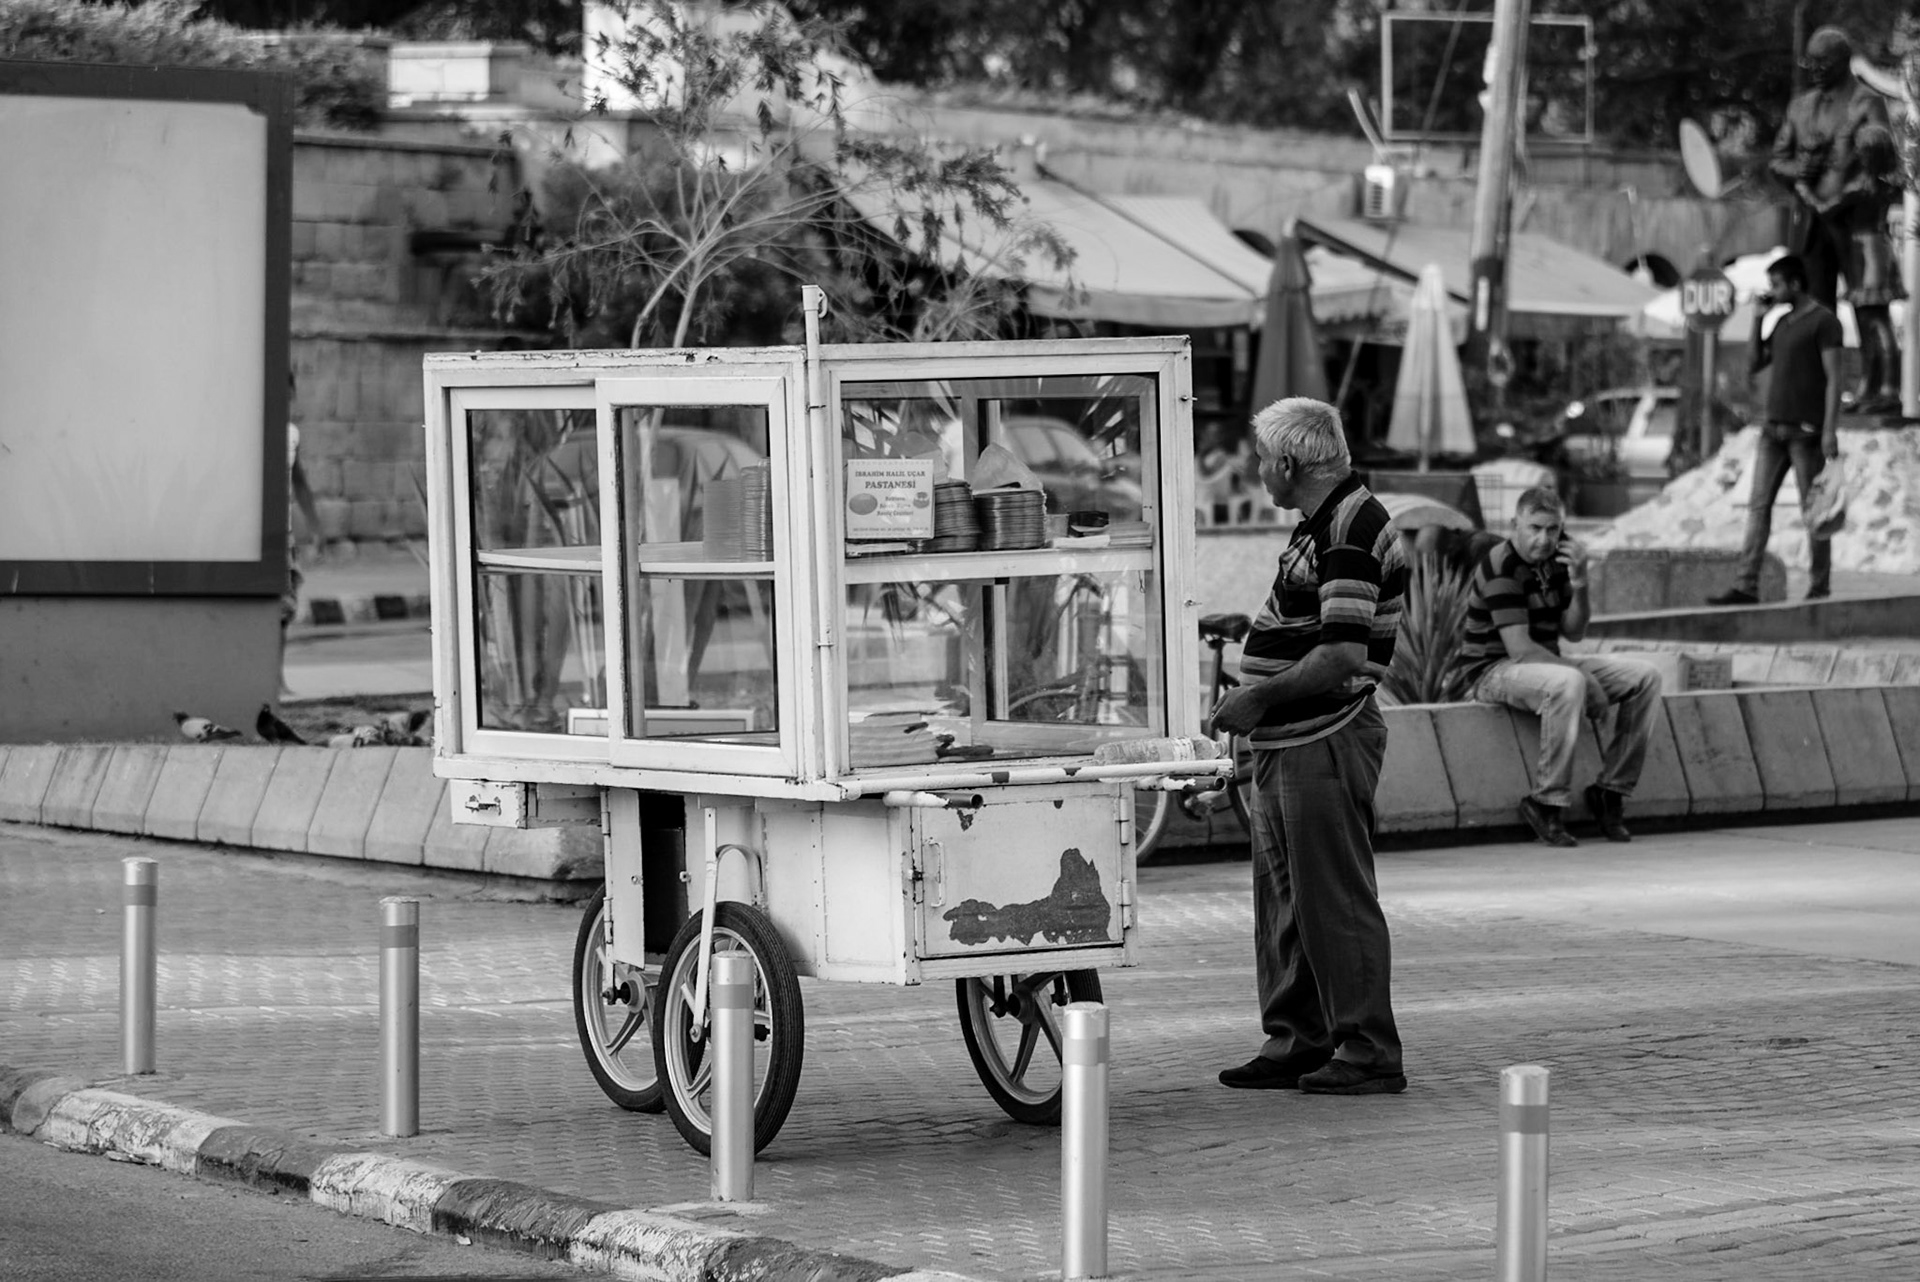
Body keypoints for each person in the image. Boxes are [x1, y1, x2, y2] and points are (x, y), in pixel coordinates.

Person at [1210, 397, 1408, 1096]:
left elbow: (1341, 653)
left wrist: (1257, 696)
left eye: (1263, 459)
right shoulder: (1321, 524)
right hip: (1289, 739)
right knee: (1286, 899)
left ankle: (1367, 1048)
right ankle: (1298, 1036)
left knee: (1332, 898)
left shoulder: (1352, 527)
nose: (1258, 472)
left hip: (1323, 737)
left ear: (1289, 463)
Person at [1461, 488, 1662, 848]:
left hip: (1548, 662)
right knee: (1569, 682)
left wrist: (1581, 579)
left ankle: (1610, 791)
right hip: (1493, 670)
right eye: (1535, 528)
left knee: (1646, 678)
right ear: (1514, 525)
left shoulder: (1559, 557)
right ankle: (1546, 802)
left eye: (1553, 529)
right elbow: (1519, 649)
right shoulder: (1500, 564)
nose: (1544, 539)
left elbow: (1573, 630)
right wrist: (1585, 679)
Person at [1707, 253, 1843, 606]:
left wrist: (1830, 429)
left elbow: (1834, 378)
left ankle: (1819, 586)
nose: (1772, 291)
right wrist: (1757, 319)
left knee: (1814, 510)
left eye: (1777, 284)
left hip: (1807, 432)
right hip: (1772, 431)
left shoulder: (1824, 322)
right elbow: (1753, 363)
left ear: (1795, 283)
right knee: (1758, 507)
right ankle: (1745, 585)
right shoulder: (1781, 323)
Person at [1769, 26, 1895, 316]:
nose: (1814, 70)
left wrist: (1861, 186)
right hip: (1813, 226)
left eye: (1822, 63)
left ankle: (1872, 362)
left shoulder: (1868, 102)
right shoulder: (1800, 107)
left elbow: (1884, 160)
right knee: (1815, 314)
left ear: (1843, 61)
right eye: (1809, 63)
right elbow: (1777, 161)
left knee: (1869, 312)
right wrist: (1801, 170)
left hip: (1856, 225)